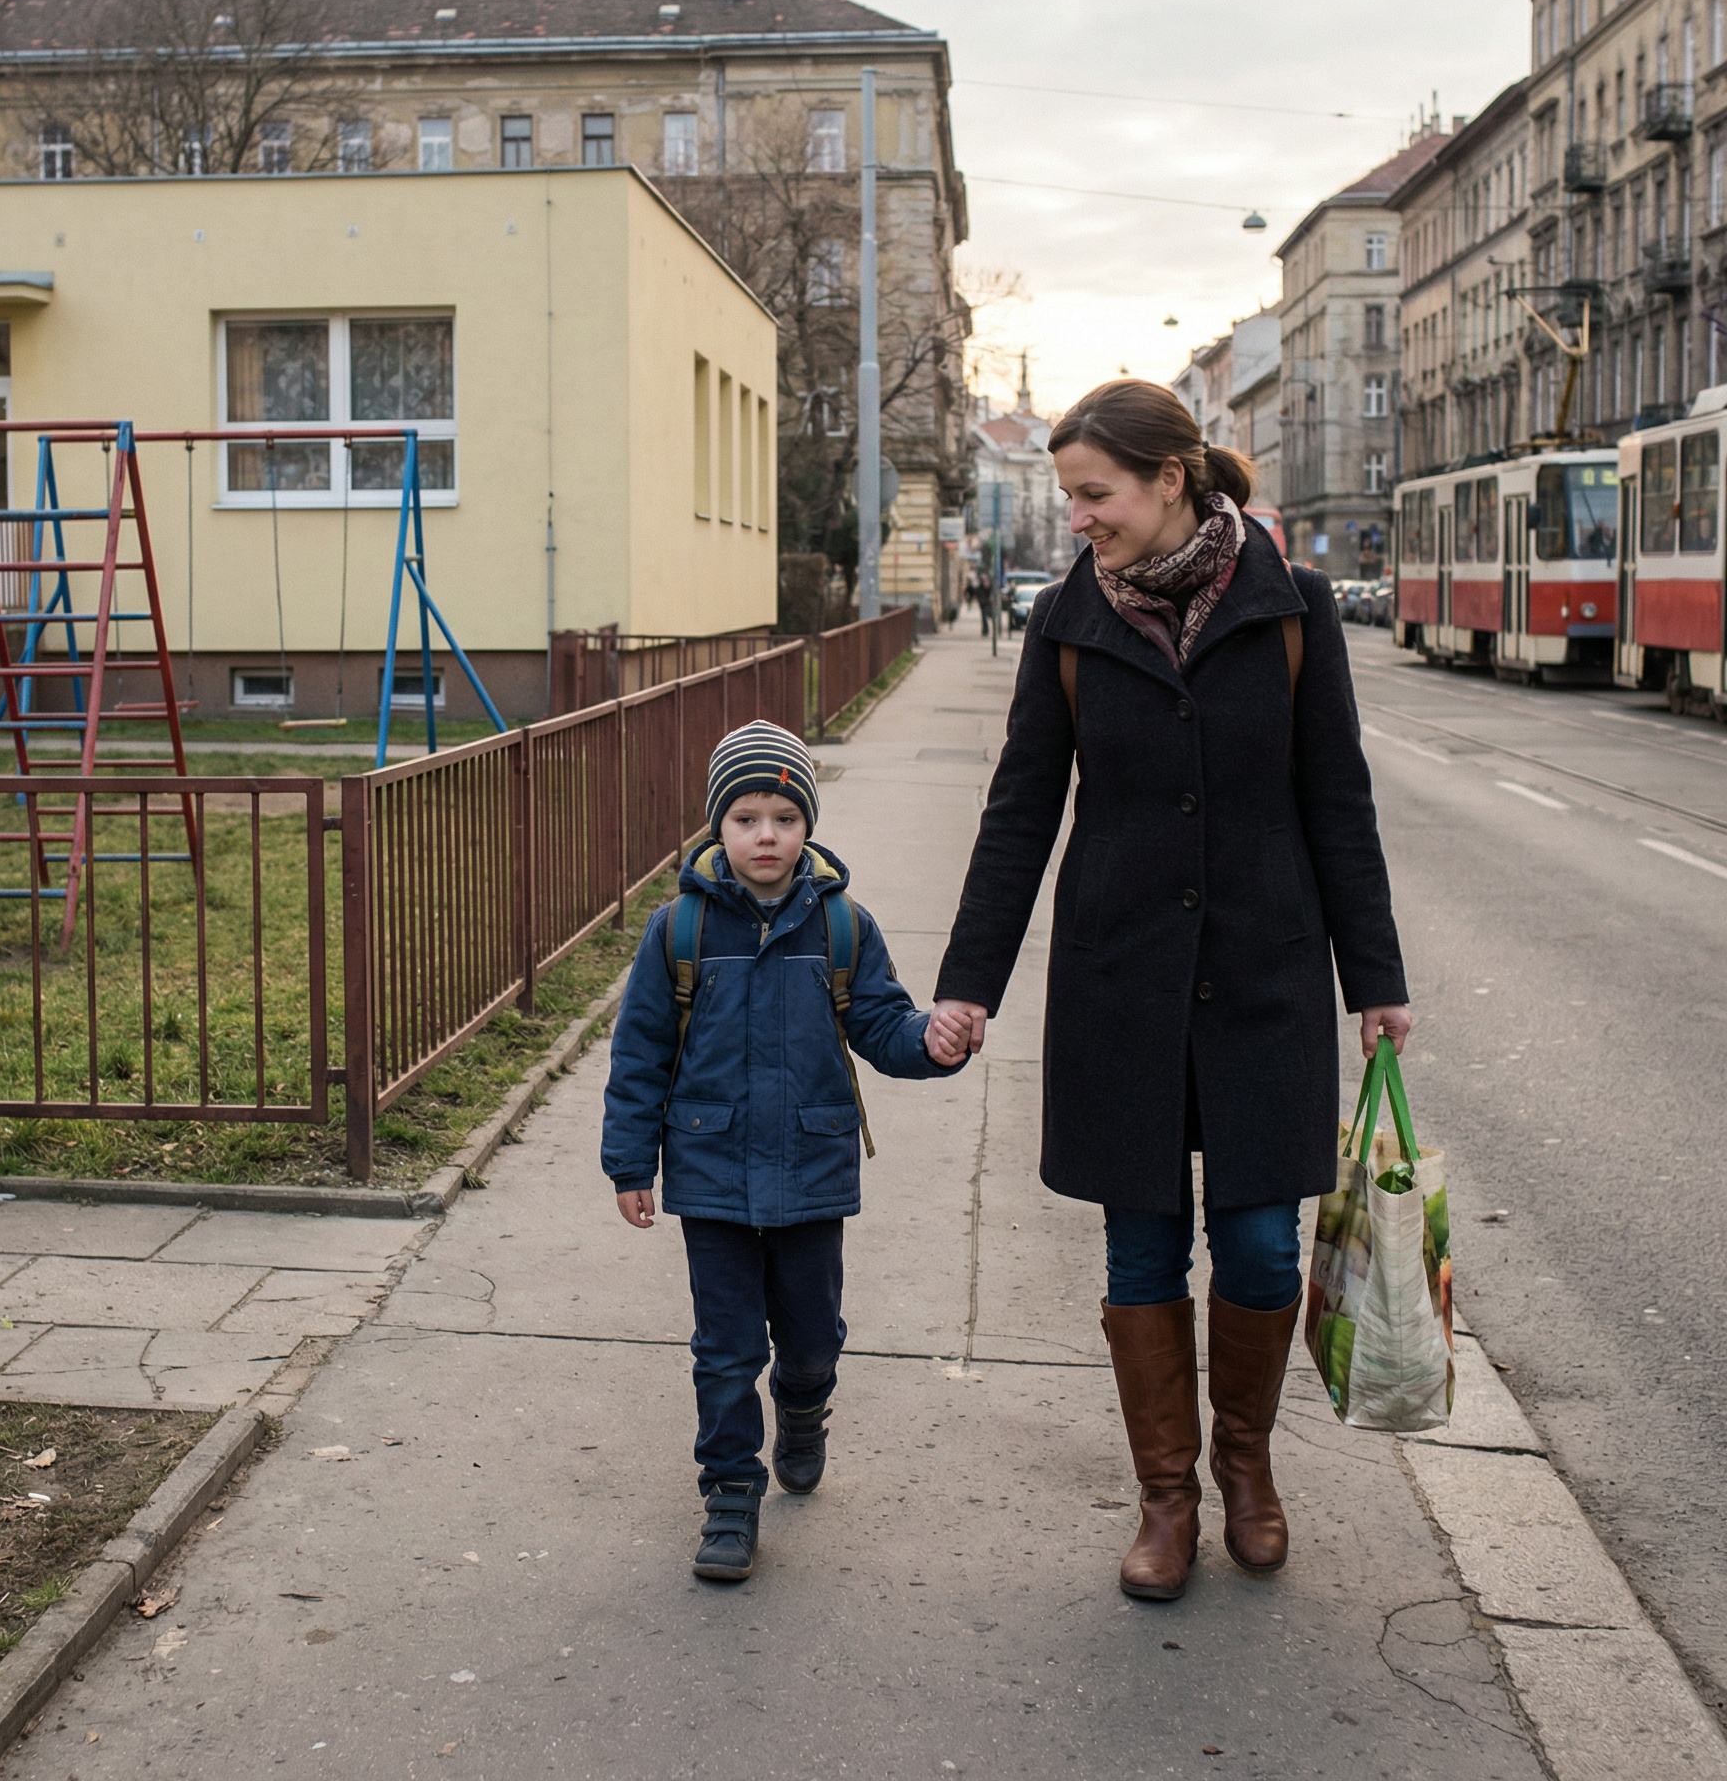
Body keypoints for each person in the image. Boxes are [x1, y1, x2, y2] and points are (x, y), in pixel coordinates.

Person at [930, 380, 1412, 1603]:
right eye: (1069, 498)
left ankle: (1245, 1468)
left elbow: (1336, 801)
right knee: (1139, 1237)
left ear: (1171, 479)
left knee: (1257, 1241)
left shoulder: (1291, 606)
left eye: (1094, 494)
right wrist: (968, 983)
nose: (1079, 518)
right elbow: (1020, 807)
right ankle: (1166, 1495)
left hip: (1262, 972)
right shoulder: (1062, 620)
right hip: (1120, 977)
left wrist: (1376, 978)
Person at [602, 719, 969, 1582]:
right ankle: (731, 1492)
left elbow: (880, 1023)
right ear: (716, 828)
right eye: (745, 818)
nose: (765, 835)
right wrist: (630, 1164)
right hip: (712, 1173)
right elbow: (640, 1054)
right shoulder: (678, 932)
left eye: (783, 817)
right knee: (724, 1346)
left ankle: (804, 1410)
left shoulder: (843, 927)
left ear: (807, 826)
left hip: (811, 1173)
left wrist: (932, 1043)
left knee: (809, 1338)